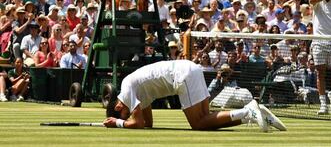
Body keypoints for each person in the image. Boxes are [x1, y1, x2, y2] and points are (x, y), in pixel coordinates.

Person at [104, 60, 286, 132]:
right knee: (207, 122)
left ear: (119, 107)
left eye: (124, 115)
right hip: (190, 69)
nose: (128, 116)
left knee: (198, 124)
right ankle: (254, 116)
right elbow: (147, 123)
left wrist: (117, 122)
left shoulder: (126, 86)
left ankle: (247, 111)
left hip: (182, 75)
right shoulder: (136, 91)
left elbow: (137, 124)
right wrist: (127, 120)